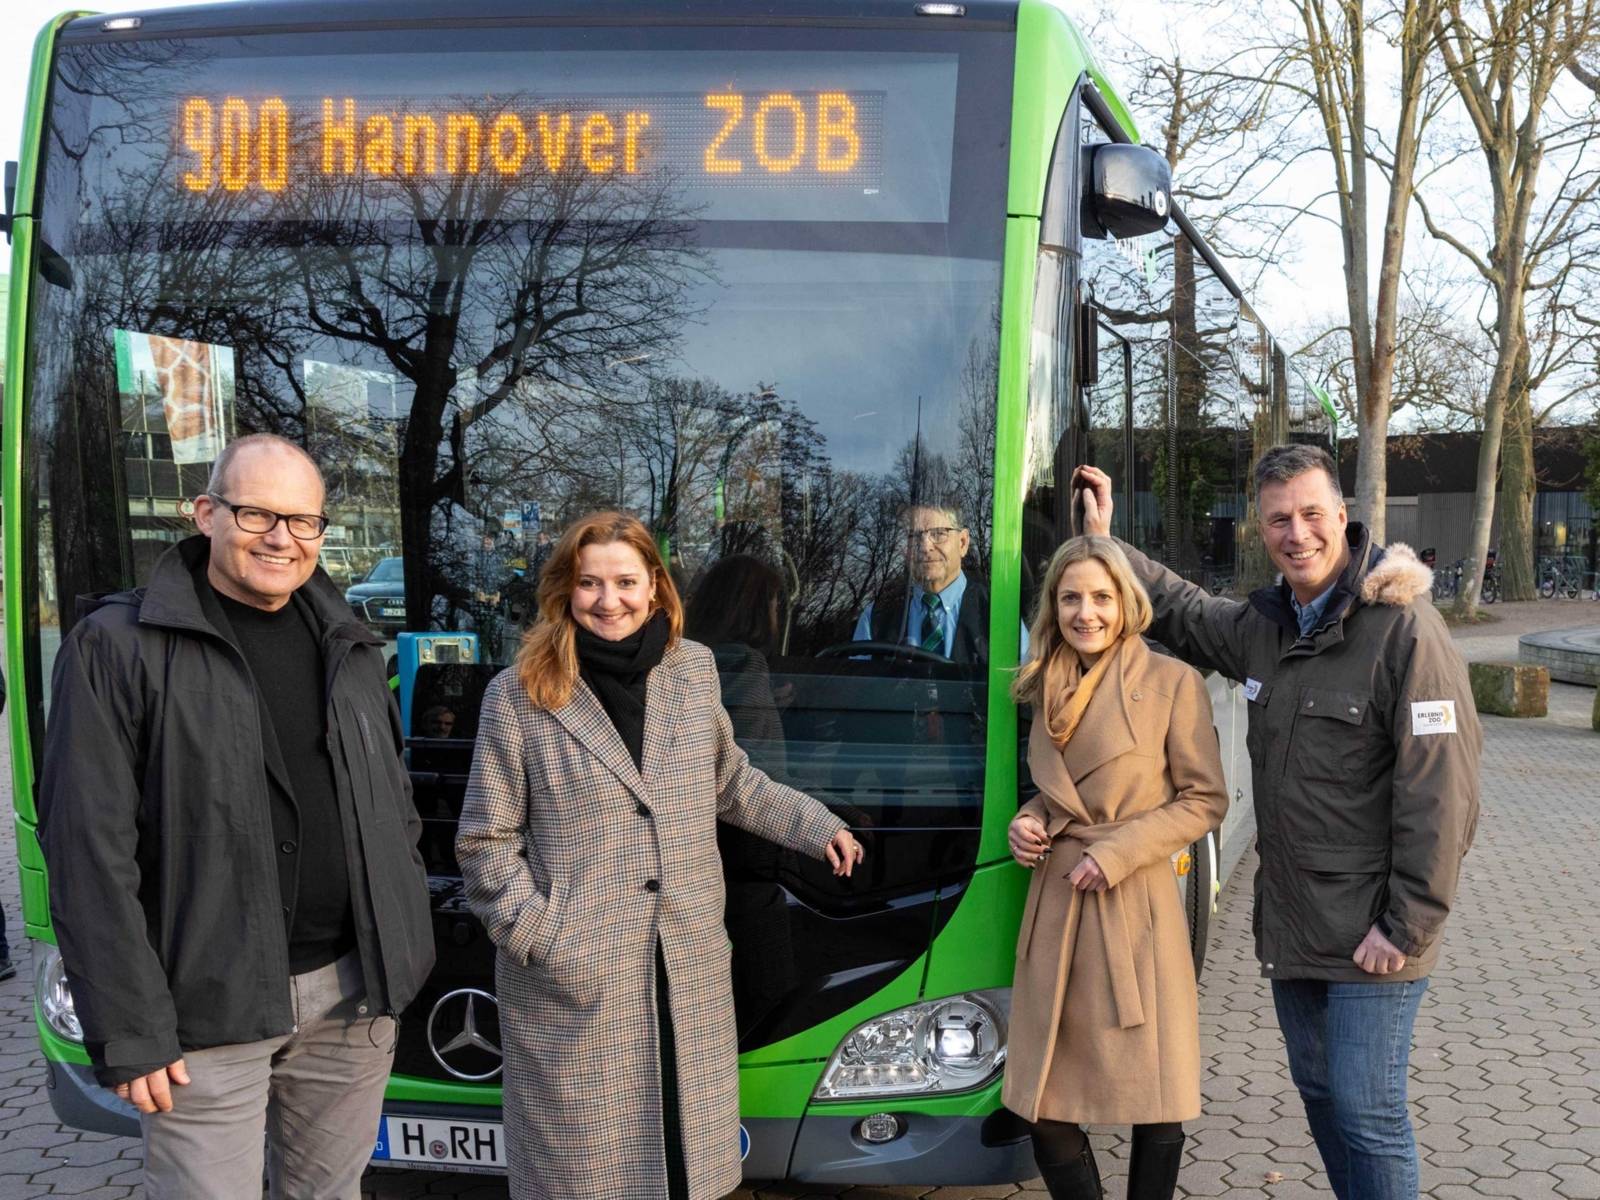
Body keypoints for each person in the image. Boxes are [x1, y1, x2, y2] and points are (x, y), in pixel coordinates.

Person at [1077, 446, 1481, 1200]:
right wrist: (1104, 544)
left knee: (1369, 1113)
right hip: (1295, 924)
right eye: (1278, 520)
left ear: (1344, 519)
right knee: (1325, 1102)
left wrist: (1406, 925)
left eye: (1311, 515)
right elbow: (1183, 608)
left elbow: (1444, 791)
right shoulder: (1266, 627)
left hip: (1375, 932)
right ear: (1261, 530)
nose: (1297, 534)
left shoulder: (1406, 634)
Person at [36, 433, 434, 1199]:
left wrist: (404, 950)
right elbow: (88, 855)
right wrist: (132, 1029)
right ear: (206, 513)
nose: (281, 538)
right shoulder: (117, 646)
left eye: (303, 521)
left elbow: (396, 809)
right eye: (257, 514)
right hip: (201, 1013)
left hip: (352, 998)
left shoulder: (349, 643)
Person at [456, 511, 863, 1200]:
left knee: (683, 1170)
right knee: (585, 1179)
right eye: (590, 583)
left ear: (655, 588)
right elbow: (484, 843)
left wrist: (813, 823)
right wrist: (544, 938)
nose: (607, 600)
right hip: (579, 981)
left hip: (684, 968)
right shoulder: (519, 694)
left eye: (624, 581)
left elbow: (730, 781)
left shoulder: (693, 671)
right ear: (566, 589)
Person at [1002, 536, 1228, 1200]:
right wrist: (1031, 818)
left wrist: (1119, 851)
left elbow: (1205, 799)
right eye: (1071, 597)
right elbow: (1064, 792)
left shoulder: (1171, 682)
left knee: (1157, 1097)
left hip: (1135, 907)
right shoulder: (1043, 681)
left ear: (1127, 602)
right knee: (1043, 1105)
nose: (1086, 612)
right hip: (1058, 905)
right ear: (1053, 606)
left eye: (1101, 597)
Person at [854, 502, 1001, 663]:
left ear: (963, 542)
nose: (924, 547)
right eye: (914, 536)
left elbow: (1022, 684)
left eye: (938, 534)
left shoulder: (998, 615)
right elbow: (858, 686)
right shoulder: (875, 619)